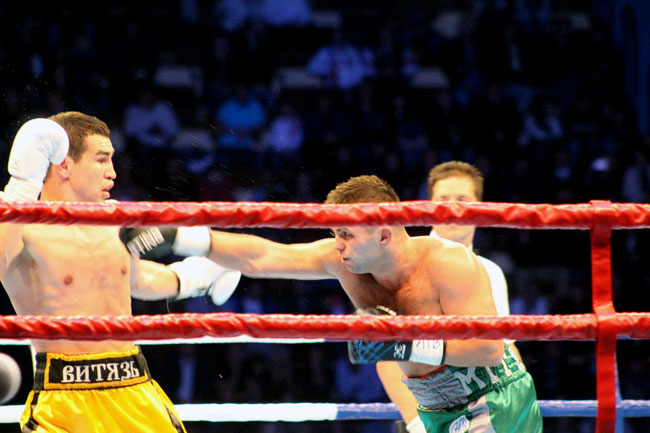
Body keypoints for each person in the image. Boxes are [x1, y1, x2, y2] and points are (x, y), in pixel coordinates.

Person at [121, 174, 543, 432]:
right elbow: (264, 256)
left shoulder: (448, 262)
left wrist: (403, 345)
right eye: (335, 233)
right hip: (434, 407)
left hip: (492, 400)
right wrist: (184, 236)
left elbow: (489, 349)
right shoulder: (345, 262)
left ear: (384, 233)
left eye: (346, 234)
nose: (337, 245)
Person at [0, 112, 241, 432]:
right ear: (64, 165)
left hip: (133, 385)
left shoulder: (114, 220)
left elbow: (134, 278)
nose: (112, 173)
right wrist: (21, 187)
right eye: (101, 160)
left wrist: (197, 276)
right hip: (64, 398)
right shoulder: (21, 227)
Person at [379, 160, 523, 433]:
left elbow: (505, 349)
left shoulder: (491, 272)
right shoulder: (404, 265)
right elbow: (388, 354)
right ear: (429, 206)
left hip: (485, 414)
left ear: (479, 208)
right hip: (428, 413)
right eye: (443, 200)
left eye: (462, 200)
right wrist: (418, 425)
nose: (452, 208)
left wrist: (520, 407)